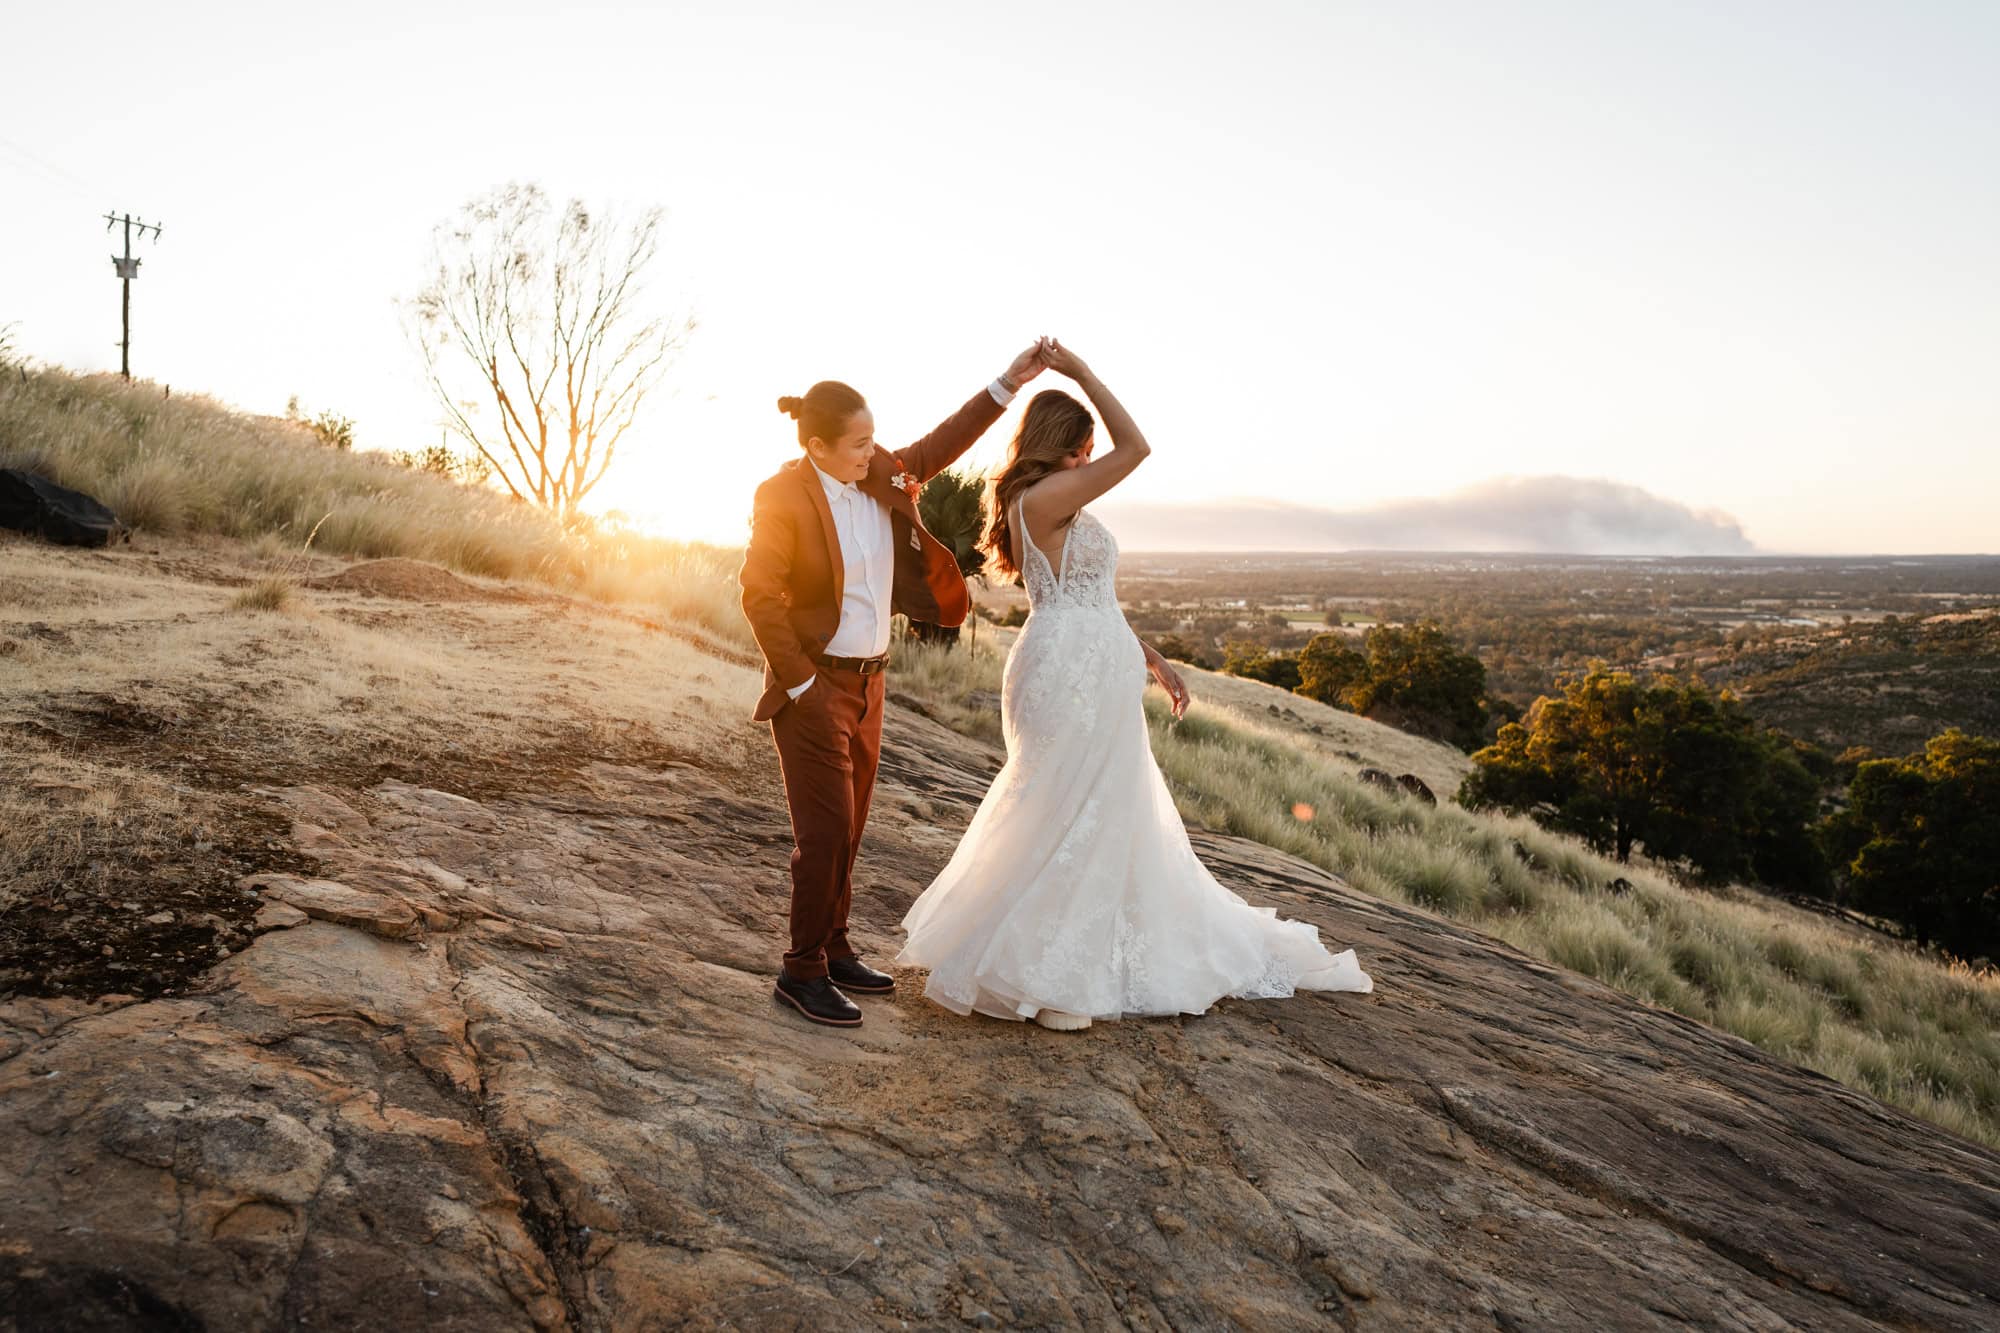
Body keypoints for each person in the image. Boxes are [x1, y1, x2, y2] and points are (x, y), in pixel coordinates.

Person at [896, 340, 1374, 1030]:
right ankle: (1047, 976)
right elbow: (1138, 448)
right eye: (1082, 447)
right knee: (1064, 808)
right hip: (1068, 672)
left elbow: (1090, 597)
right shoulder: (1042, 497)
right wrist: (1085, 373)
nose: (1091, 460)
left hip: (1090, 659)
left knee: (1095, 810)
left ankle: (1068, 962)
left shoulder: (1047, 496)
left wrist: (1152, 656)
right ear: (1059, 444)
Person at [740, 340, 1050, 1028]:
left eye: (875, 438)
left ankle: (837, 946)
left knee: (849, 829)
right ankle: (802, 969)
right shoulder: (782, 495)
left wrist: (1008, 382)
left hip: (873, 684)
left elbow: (943, 441)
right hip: (815, 687)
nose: (872, 452)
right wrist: (799, 688)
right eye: (858, 443)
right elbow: (758, 594)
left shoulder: (880, 472)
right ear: (818, 446)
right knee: (823, 834)